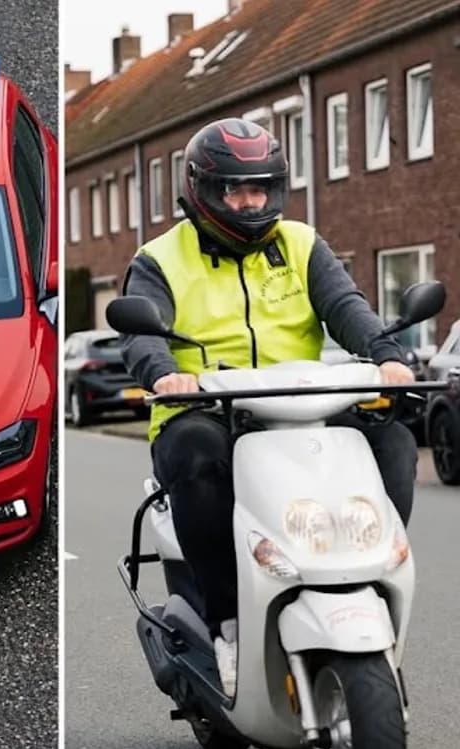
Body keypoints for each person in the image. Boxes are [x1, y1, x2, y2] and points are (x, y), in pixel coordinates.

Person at [119, 117, 418, 698]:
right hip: (206, 410)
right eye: (234, 190)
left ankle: (370, 579)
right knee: (197, 454)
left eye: (260, 189)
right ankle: (226, 620)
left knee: (393, 441)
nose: (250, 202)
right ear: (203, 192)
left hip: (301, 407)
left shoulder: (301, 243)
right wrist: (166, 374)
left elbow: (346, 306)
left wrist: (387, 355)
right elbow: (140, 334)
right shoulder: (159, 258)